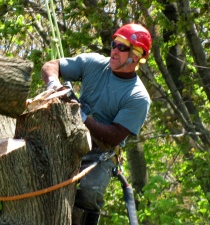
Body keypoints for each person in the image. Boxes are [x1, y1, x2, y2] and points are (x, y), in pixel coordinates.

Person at [41, 23, 152, 225]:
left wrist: (81, 116)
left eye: (122, 48)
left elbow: (114, 135)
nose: (114, 51)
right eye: (113, 45)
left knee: (90, 191)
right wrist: (54, 85)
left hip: (101, 151)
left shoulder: (137, 97)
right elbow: (51, 66)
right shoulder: (93, 63)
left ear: (136, 55)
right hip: (69, 134)